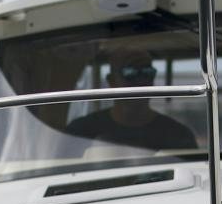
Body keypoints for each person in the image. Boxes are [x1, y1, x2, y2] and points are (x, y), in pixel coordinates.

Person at [64, 46, 197, 150]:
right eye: (130, 73)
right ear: (111, 81)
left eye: (147, 72)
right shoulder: (80, 132)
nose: (141, 80)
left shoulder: (178, 136)